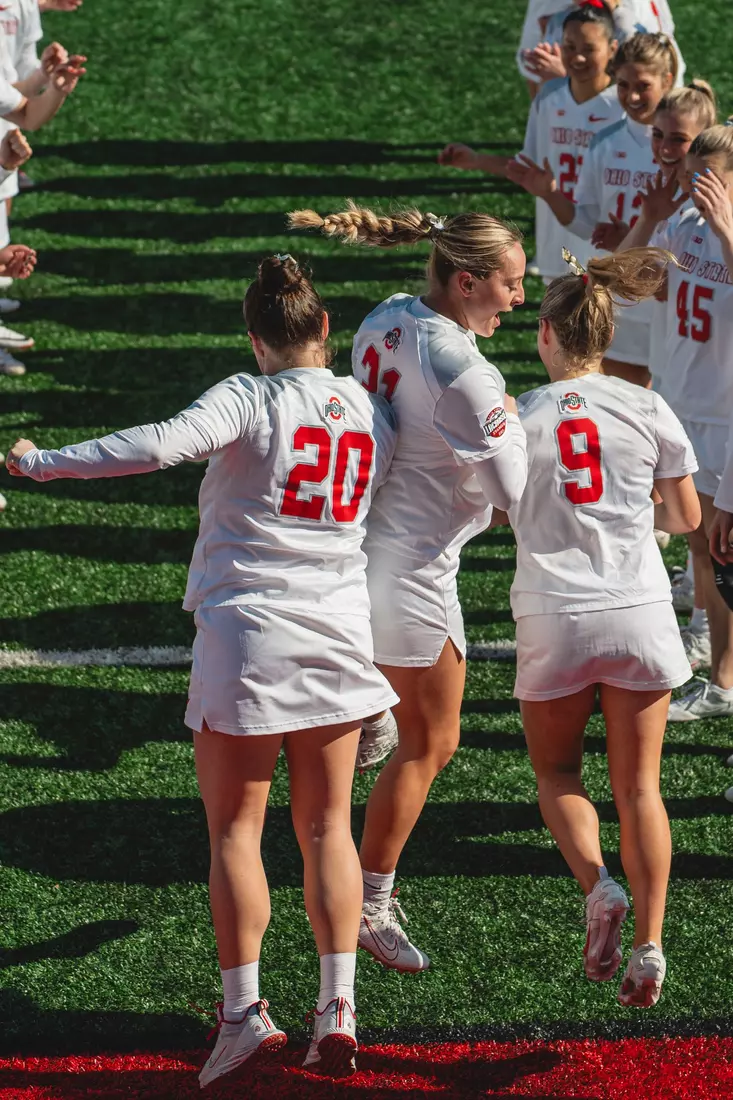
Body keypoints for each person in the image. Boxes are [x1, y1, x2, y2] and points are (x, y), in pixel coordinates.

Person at [6, 255, 399, 1084]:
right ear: (323, 329)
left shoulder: (246, 395)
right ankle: (337, 1005)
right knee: (328, 827)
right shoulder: (368, 407)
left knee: (235, 831)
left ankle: (243, 1015)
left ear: (253, 338)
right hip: (337, 633)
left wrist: (42, 460)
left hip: (248, 635)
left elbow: (152, 447)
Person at [288, 203, 529, 971]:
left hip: (367, 544)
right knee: (434, 740)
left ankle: (372, 714)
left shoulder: (385, 316)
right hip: (415, 569)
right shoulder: (465, 370)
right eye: (510, 284)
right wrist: (518, 424)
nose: (518, 299)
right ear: (468, 282)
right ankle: (371, 896)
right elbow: (513, 495)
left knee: (413, 731)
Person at [508, 246, 700, 1008]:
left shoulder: (520, 416)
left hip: (554, 614)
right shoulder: (645, 404)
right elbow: (685, 516)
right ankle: (649, 945)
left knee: (558, 775)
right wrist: (637, 519)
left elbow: (489, 508)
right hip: (639, 610)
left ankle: (598, 885)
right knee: (639, 788)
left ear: (547, 336)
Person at [618, 126, 733, 720]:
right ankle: (721, 676)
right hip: (685, 406)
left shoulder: (718, 228)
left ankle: (722, 677)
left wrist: (726, 228)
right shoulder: (684, 223)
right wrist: (650, 215)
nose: (696, 185)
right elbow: (623, 287)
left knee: (723, 551)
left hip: (728, 417)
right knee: (706, 548)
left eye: (707, 175)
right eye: (693, 173)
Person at [508, 32, 677, 386]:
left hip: (667, 296)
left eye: (642, 85)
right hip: (616, 294)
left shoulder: (683, 147)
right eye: (623, 84)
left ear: (668, 80)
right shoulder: (605, 141)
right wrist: (552, 195)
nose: (631, 96)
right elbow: (586, 224)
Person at [440, 3, 622, 283]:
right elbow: (527, 167)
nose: (578, 57)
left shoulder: (623, 107)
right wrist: (476, 160)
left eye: (589, 48)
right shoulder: (549, 96)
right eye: (570, 46)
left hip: (606, 245)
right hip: (556, 242)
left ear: (612, 49)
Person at [523, 0, 685, 89]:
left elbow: (655, 78)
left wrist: (563, 82)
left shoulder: (635, 15)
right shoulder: (551, 13)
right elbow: (536, 72)